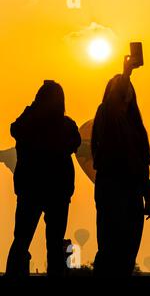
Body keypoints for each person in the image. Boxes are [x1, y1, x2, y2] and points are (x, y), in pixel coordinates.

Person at [5, 80, 81, 277]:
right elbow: (75, 142)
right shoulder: (67, 127)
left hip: (30, 190)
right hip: (58, 192)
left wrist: (32, 108)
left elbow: (15, 129)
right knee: (55, 244)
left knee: (21, 240)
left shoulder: (29, 125)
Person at [92, 57, 150, 276]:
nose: (126, 93)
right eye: (121, 90)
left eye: (128, 89)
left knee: (128, 253)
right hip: (112, 192)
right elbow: (110, 108)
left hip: (133, 195)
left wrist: (149, 197)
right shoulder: (105, 115)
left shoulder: (135, 124)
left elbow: (142, 164)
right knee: (109, 250)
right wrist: (126, 74)